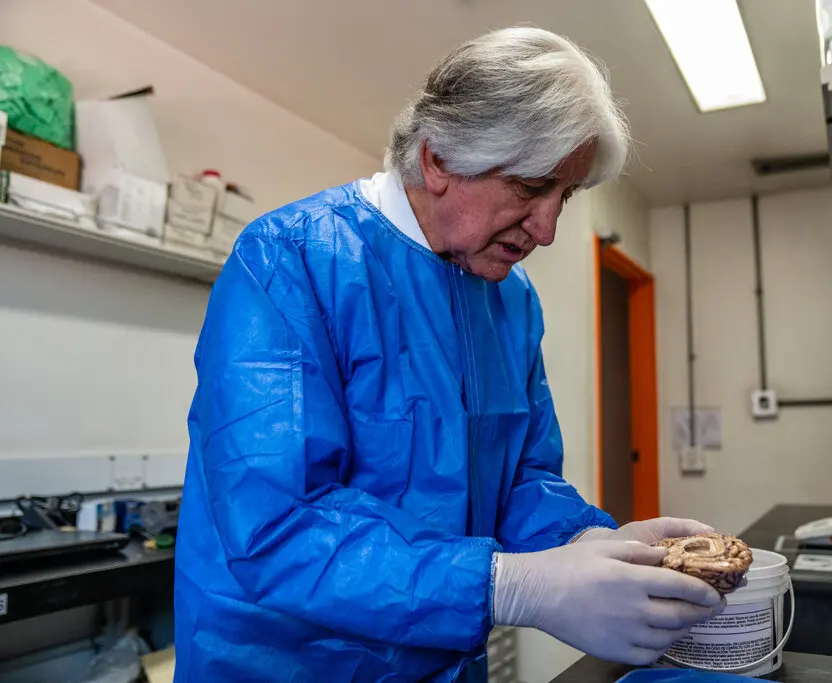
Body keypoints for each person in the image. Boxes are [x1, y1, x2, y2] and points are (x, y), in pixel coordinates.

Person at [173, 26, 723, 683]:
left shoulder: (510, 299)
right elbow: (278, 525)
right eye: (531, 187)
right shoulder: (290, 260)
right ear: (437, 161)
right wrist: (508, 586)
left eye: (565, 196)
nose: (548, 229)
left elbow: (521, 478)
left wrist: (589, 542)